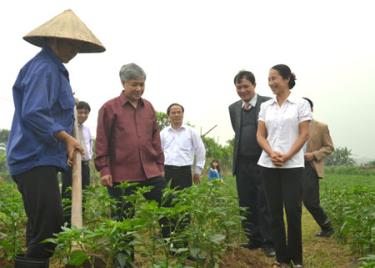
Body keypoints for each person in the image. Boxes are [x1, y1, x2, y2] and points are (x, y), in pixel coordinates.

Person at [6, 9, 105, 267]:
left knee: (40, 226)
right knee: (50, 224)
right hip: (32, 158)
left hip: (41, 158)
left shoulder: (55, 70)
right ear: (53, 40)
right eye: (70, 43)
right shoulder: (44, 69)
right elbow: (34, 112)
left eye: (77, 45)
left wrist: (64, 147)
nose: (74, 49)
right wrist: (67, 139)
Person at [95, 63, 165, 267]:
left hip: (151, 171)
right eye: (134, 84)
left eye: (142, 84)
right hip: (121, 175)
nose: (139, 89)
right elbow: (102, 141)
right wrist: (104, 169)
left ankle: (176, 250)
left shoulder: (149, 107)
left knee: (169, 206)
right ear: (123, 83)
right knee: (123, 221)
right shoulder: (109, 108)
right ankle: (124, 263)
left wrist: (159, 163)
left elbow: (155, 137)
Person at [257, 64, 312, 268]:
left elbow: (304, 133)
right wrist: (271, 153)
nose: (271, 83)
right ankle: (281, 258)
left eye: (274, 78)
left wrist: (287, 155)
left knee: (293, 210)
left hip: (293, 165)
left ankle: (296, 259)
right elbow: (260, 135)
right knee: (274, 211)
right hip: (268, 164)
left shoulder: (300, 104)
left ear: (287, 79)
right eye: (269, 79)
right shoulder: (266, 106)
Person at [229, 70, 275, 257]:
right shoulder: (233, 108)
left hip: (263, 161)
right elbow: (237, 132)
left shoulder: (267, 103)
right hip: (242, 162)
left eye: (246, 86)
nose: (242, 90)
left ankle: (269, 241)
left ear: (254, 85)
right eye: (239, 87)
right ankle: (253, 238)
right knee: (246, 201)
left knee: (264, 201)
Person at [160, 103, 206, 250]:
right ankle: (169, 244)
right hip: (167, 173)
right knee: (167, 206)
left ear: (183, 114)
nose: (176, 115)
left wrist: (197, 171)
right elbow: (157, 154)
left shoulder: (191, 132)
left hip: (185, 172)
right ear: (168, 116)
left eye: (179, 112)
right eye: (173, 113)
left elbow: (200, 152)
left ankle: (184, 245)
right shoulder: (163, 133)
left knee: (184, 206)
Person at [302, 97, 335, 237]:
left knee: (311, 202)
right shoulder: (292, 125)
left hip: (310, 167)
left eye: (305, 108)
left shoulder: (321, 127)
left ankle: (327, 228)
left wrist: (314, 154)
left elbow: (329, 147)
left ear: (311, 109)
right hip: (291, 166)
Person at [61, 101, 94, 226]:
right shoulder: (68, 128)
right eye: (80, 112)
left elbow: (89, 147)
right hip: (71, 165)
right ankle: (66, 223)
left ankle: (80, 220)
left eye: (86, 113)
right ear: (75, 113)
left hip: (85, 165)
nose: (83, 115)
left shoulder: (87, 129)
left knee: (84, 192)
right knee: (68, 193)